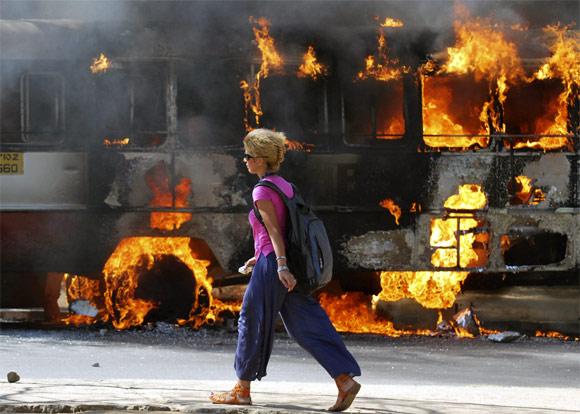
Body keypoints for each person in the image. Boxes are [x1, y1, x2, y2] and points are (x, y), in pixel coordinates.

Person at [209, 129, 361, 411]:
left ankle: (242, 390)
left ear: (261, 160)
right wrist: (261, 258)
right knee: (305, 326)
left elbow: (274, 230)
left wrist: (277, 265)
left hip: (276, 265)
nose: (245, 160)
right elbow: (282, 230)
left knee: (251, 319)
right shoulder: (285, 185)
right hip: (278, 262)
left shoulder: (261, 189)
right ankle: (344, 379)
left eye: (249, 156)